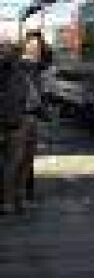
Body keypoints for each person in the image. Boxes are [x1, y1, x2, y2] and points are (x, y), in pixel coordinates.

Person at [19, 31, 52, 204]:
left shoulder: (39, 67)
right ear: (25, 46)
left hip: (32, 117)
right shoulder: (21, 66)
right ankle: (18, 193)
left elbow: (41, 91)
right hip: (21, 116)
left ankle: (25, 190)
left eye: (38, 46)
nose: (35, 49)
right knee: (19, 157)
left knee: (28, 156)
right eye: (32, 45)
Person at [0, 39, 29, 214]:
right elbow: (22, 98)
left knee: (10, 163)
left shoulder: (18, 73)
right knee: (13, 163)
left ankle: (11, 200)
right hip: (14, 122)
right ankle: (10, 200)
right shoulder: (18, 74)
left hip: (12, 122)